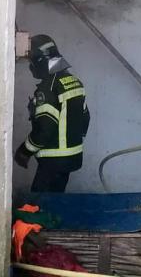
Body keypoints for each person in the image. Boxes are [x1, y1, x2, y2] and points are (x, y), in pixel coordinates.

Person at [15, 34, 91, 193]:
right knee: (56, 199)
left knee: (38, 202)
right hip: (72, 157)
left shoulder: (48, 89)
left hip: (53, 161)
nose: (31, 67)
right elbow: (86, 118)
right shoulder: (74, 81)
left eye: (31, 62)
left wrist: (24, 151)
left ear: (40, 62)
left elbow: (45, 130)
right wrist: (72, 139)